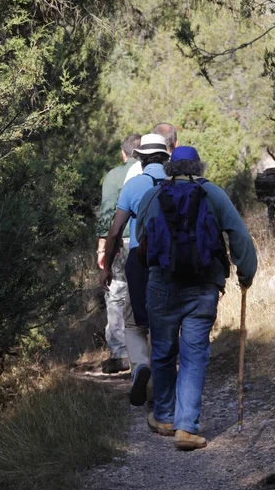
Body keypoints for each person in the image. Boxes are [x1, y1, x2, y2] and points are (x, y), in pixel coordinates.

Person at [135, 146, 257, 450]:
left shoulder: (152, 195)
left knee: (163, 351)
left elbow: (140, 238)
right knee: (194, 355)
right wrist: (246, 273)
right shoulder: (212, 193)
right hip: (203, 286)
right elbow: (239, 234)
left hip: (162, 285)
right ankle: (186, 428)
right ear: (197, 167)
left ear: (170, 168)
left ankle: (163, 416)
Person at [100, 133, 170, 405]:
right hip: (172, 262)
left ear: (139, 159)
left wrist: (106, 266)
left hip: (140, 260)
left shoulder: (134, 185)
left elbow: (115, 229)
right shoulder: (176, 183)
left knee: (134, 321)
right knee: (165, 321)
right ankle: (165, 385)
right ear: (166, 157)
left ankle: (140, 366)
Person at [97, 133, 141, 374]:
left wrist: (101, 248)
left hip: (119, 240)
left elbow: (107, 216)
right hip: (143, 240)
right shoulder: (151, 171)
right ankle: (144, 348)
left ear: (123, 153)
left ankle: (120, 352)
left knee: (115, 291)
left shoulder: (113, 176)